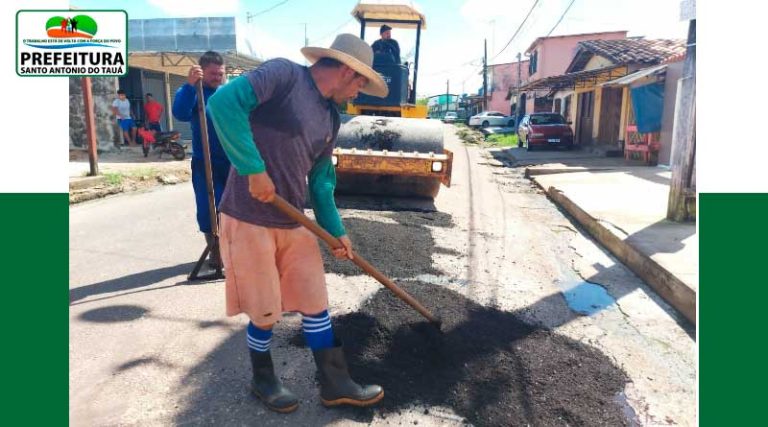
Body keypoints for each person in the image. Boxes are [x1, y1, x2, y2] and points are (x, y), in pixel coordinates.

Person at [206, 33, 388, 414]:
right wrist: (253, 169)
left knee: (314, 300)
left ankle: (336, 383)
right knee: (265, 309)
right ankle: (263, 378)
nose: (358, 91)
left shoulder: (329, 117)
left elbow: (321, 181)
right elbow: (223, 103)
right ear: (344, 70)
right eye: (359, 82)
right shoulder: (284, 75)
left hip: (292, 222)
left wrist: (336, 230)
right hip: (247, 216)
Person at [172, 51, 231, 269]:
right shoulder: (192, 90)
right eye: (213, 73)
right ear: (202, 72)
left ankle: (232, 249)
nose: (217, 77)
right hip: (204, 161)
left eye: (220, 73)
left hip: (231, 161)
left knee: (231, 207)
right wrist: (189, 86)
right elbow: (180, 113)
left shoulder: (227, 92)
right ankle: (215, 250)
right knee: (208, 208)